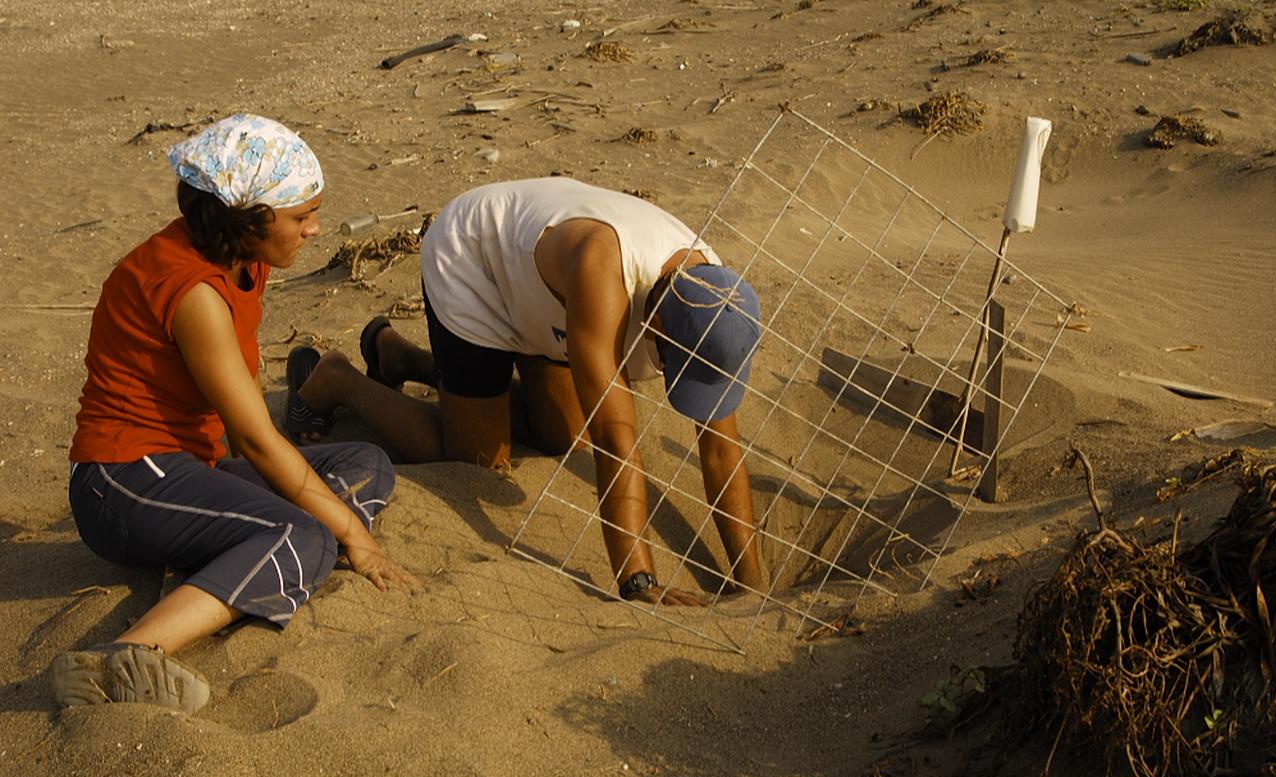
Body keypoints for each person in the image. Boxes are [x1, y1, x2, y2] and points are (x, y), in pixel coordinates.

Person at [53, 115, 419, 715]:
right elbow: (253, 436)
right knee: (303, 533)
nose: (315, 227)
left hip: (186, 465)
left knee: (364, 460)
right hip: (122, 480)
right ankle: (117, 657)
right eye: (301, 216)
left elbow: (246, 433)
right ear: (248, 218)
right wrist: (352, 533)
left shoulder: (245, 260)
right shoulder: (193, 292)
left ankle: (248, 558)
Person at [288, 177, 766, 605]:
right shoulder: (606, 273)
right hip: (476, 263)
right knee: (476, 459)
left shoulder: (717, 301)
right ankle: (340, 380)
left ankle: (402, 357)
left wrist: (752, 589)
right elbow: (617, 444)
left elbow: (722, 452)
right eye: (669, 360)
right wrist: (639, 582)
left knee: (561, 437)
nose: (668, 372)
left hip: (549, 298)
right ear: (656, 318)